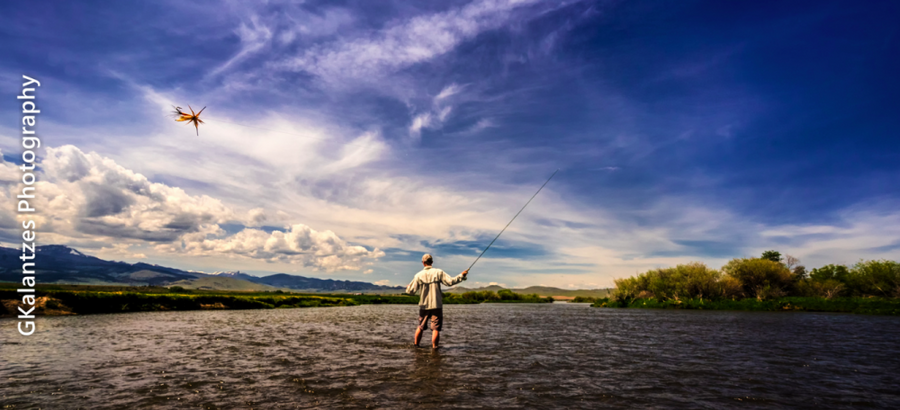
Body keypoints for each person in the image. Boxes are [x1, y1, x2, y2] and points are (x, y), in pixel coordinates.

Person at [406, 254, 468, 348]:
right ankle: (435, 348)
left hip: (424, 306)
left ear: (423, 263)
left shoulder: (418, 275)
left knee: (420, 326)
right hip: (437, 305)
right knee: (435, 329)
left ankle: (416, 345)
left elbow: (410, 291)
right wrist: (461, 275)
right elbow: (450, 282)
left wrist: (407, 288)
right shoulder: (438, 272)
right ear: (432, 262)